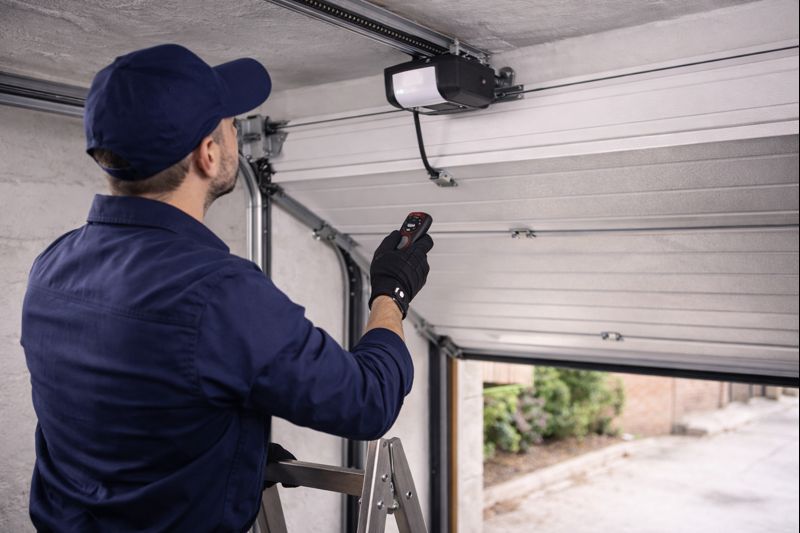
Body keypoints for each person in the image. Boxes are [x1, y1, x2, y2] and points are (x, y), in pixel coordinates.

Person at [20, 43, 433, 532]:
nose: (238, 130)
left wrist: (230, 451)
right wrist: (391, 292)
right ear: (209, 154)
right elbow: (367, 402)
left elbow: (130, 412)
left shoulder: (53, 265)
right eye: (230, 122)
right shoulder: (219, 293)